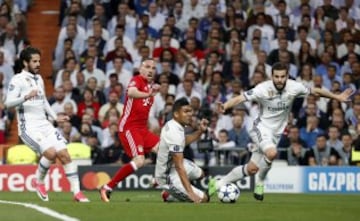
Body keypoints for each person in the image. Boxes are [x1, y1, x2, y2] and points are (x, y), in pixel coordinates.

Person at [208, 62, 353, 201]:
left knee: (252, 168)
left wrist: (337, 97)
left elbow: (316, 91)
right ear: (272, 76)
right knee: (271, 153)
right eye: (276, 76)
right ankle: (260, 181)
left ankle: (218, 183)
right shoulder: (262, 88)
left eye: (282, 76)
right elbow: (241, 97)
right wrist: (225, 105)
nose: (279, 79)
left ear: (287, 75)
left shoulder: (294, 87)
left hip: (276, 133)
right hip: (261, 128)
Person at [4, 47, 89, 202]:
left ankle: (77, 193)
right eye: (34, 61)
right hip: (28, 127)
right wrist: (25, 97)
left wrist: (55, 117)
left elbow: (44, 102)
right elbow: (8, 103)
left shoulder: (39, 79)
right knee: (50, 153)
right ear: (25, 62)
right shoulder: (17, 80)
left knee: (65, 155)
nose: (38, 64)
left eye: (39, 61)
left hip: (45, 124)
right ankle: (39, 181)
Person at [99, 58, 160, 202]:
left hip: (142, 129)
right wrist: (149, 94)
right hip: (129, 128)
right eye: (147, 67)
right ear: (141, 69)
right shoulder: (136, 80)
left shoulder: (149, 87)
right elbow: (132, 92)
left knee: (165, 150)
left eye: (153, 68)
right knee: (139, 160)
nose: (151, 70)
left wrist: (150, 92)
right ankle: (107, 187)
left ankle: (160, 179)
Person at [154, 98, 209, 203]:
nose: (189, 114)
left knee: (201, 174)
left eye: (190, 111)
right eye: (185, 111)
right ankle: (169, 193)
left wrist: (200, 131)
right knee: (204, 199)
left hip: (173, 166)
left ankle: (176, 190)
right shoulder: (174, 131)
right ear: (176, 114)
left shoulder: (175, 125)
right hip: (167, 175)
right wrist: (190, 193)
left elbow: (184, 141)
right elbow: (179, 166)